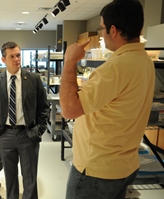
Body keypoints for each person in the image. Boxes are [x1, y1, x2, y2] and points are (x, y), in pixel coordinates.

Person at [59, 1, 155, 199]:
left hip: (96, 170)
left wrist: (69, 62)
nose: (101, 34)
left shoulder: (115, 68)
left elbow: (69, 110)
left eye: (101, 28)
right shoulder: (144, 61)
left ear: (113, 30)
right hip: (123, 166)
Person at [0, 41, 49, 199]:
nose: (16, 59)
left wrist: (38, 130)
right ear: (3, 59)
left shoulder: (33, 79)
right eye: (12, 56)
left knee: (30, 179)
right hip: (5, 135)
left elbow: (43, 108)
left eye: (18, 55)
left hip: (28, 134)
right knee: (10, 178)